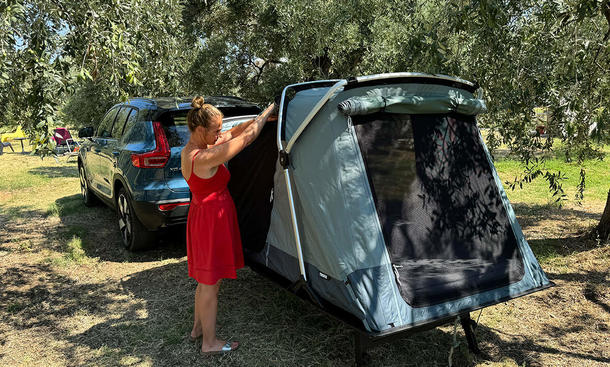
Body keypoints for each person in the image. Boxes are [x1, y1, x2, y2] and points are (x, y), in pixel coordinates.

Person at [181, 96, 276, 355]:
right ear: (200, 130)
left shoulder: (191, 149)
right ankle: (209, 343)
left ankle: (197, 328)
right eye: (215, 130)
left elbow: (235, 132)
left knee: (205, 279)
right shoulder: (204, 157)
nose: (220, 134)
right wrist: (267, 110)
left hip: (204, 216)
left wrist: (257, 121)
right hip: (212, 220)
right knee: (210, 283)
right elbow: (245, 139)